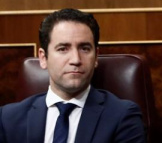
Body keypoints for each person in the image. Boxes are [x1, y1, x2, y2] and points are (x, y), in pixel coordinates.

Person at [0, 8, 145, 142]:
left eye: (84, 48)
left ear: (96, 57)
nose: (76, 60)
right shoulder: (8, 119)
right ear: (43, 58)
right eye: (63, 49)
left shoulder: (122, 116)